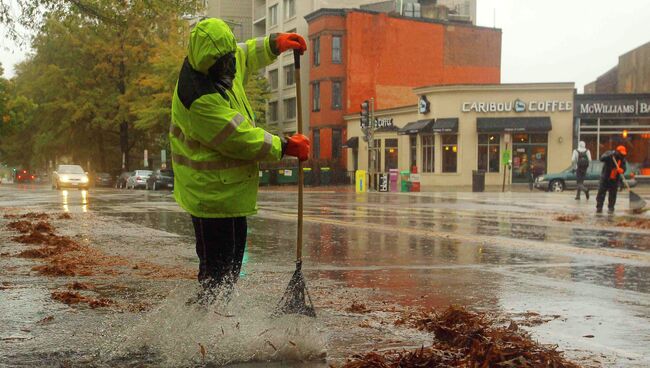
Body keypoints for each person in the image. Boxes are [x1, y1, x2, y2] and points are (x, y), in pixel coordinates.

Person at [170, 18, 310, 302]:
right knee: (217, 276)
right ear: (208, 64)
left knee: (229, 273)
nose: (230, 67)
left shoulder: (224, 62)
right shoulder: (199, 97)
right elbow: (240, 138)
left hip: (228, 192)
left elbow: (245, 53)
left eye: (229, 58)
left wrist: (274, 44)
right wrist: (284, 146)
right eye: (223, 63)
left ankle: (213, 325)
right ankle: (198, 329)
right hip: (210, 196)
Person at [595, 146, 627, 213]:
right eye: (621, 153)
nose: (622, 155)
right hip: (605, 178)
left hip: (614, 179)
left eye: (623, 154)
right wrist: (609, 155)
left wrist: (622, 170)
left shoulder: (622, 159)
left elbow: (624, 167)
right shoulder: (609, 154)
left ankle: (611, 207)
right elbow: (601, 159)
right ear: (617, 151)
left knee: (613, 194)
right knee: (601, 193)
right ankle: (599, 207)